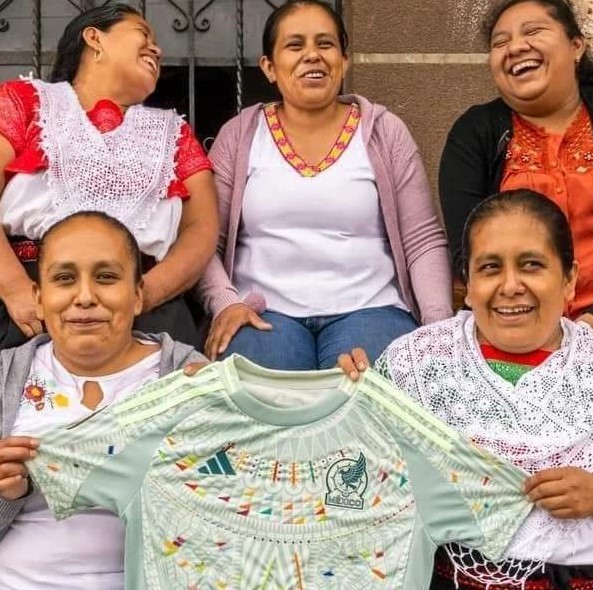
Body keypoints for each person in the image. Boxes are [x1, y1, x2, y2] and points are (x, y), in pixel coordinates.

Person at [340, 188, 593, 588]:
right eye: (490, 268)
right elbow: (358, 472)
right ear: (468, 284)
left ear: (568, 280)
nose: (511, 285)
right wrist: (348, 399)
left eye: (531, 265)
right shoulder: (418, 362)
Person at [196, 0, 452, 369]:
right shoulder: (240, 136)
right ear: (269, 66)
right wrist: (226, 302)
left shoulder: (383, 131)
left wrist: (437, 330)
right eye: (295, 45)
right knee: (270, 401)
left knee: (363, 403)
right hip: (263, 313)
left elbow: (422, 239)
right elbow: (205, 238)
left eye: (325, 44)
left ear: (344, 60)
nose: (312, 56)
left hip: (372, 309)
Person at [0, 211, 206, 589]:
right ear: (38, 297)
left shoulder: (191, 377)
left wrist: (351, 382)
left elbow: (235, 512)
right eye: (64, 279)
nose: (84, 297)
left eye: (106, 277)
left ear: (139, 294)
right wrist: (7, 496)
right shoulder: (4, 377)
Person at [0, 3, 218, 349]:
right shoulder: (24, 101)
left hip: (145, 306)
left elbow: (202, 228)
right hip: (28, 301)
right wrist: (13, 286)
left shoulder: (173, 132)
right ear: (94, 38)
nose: (157, 49)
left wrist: (144, 295)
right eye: (143, 34)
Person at [439, 0, 593, 325]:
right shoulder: (474, 133)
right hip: (515, 324)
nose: (516, 47)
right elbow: (469, 256)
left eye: (533, 31)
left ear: (576, 45)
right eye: (500, 42)